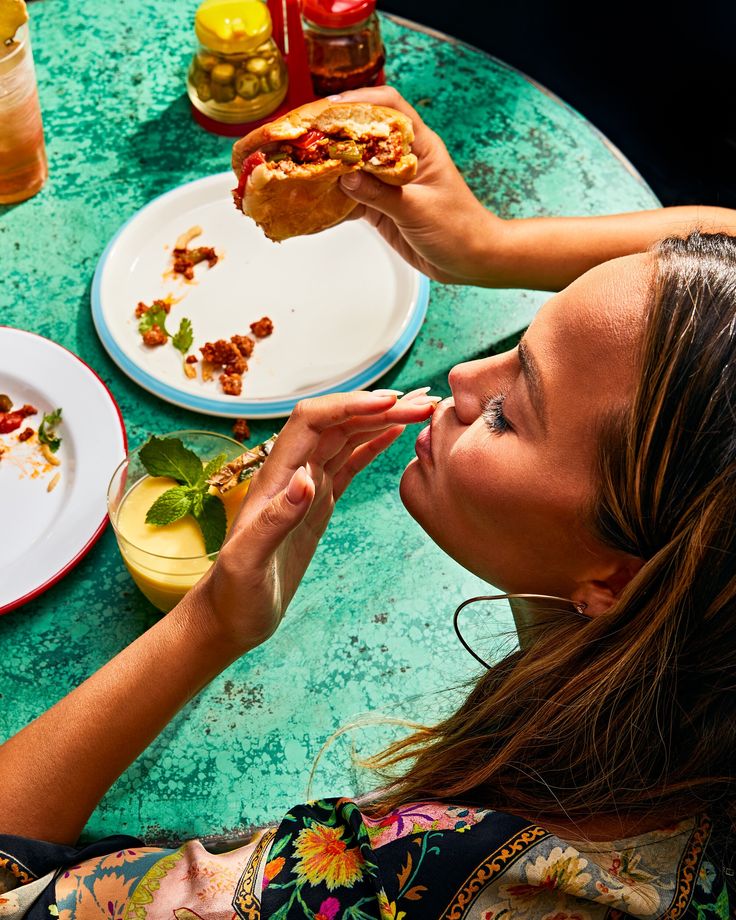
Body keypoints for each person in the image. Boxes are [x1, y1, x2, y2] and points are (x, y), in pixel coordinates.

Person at [3, 86, 736, 919]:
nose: (463, 379)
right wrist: (482, 245)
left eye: (509, 411)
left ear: (617, 583)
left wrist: (207, 622)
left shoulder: (392, 876)